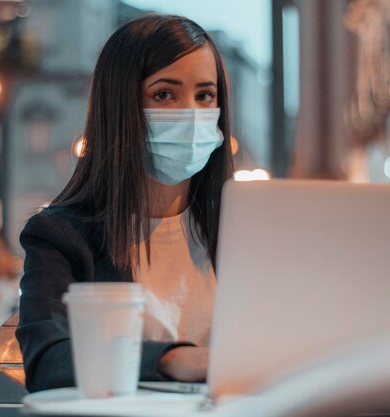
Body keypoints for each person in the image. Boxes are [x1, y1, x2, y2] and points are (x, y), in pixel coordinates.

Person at [16, 14, 234, 392]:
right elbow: (48, 360)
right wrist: (171, 358)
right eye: (164, 94)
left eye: (205, 95)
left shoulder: (241, 228)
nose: (192, 114)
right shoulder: (61, 236)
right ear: (120, 106)